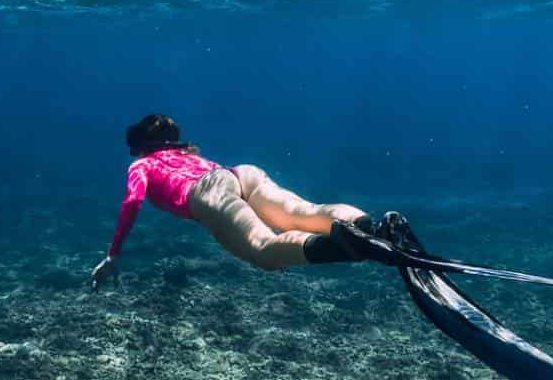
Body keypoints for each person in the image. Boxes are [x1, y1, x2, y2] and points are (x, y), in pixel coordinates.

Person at [90, 114, 390, 288]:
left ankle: (353, 247)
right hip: (239, 173)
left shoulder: (142, 165)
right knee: (306, 213)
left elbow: (132, 202)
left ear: (142, 147)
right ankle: (364, 225)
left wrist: (114, 254)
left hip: (206, 193)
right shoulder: (186, 155)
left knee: (263, 251)